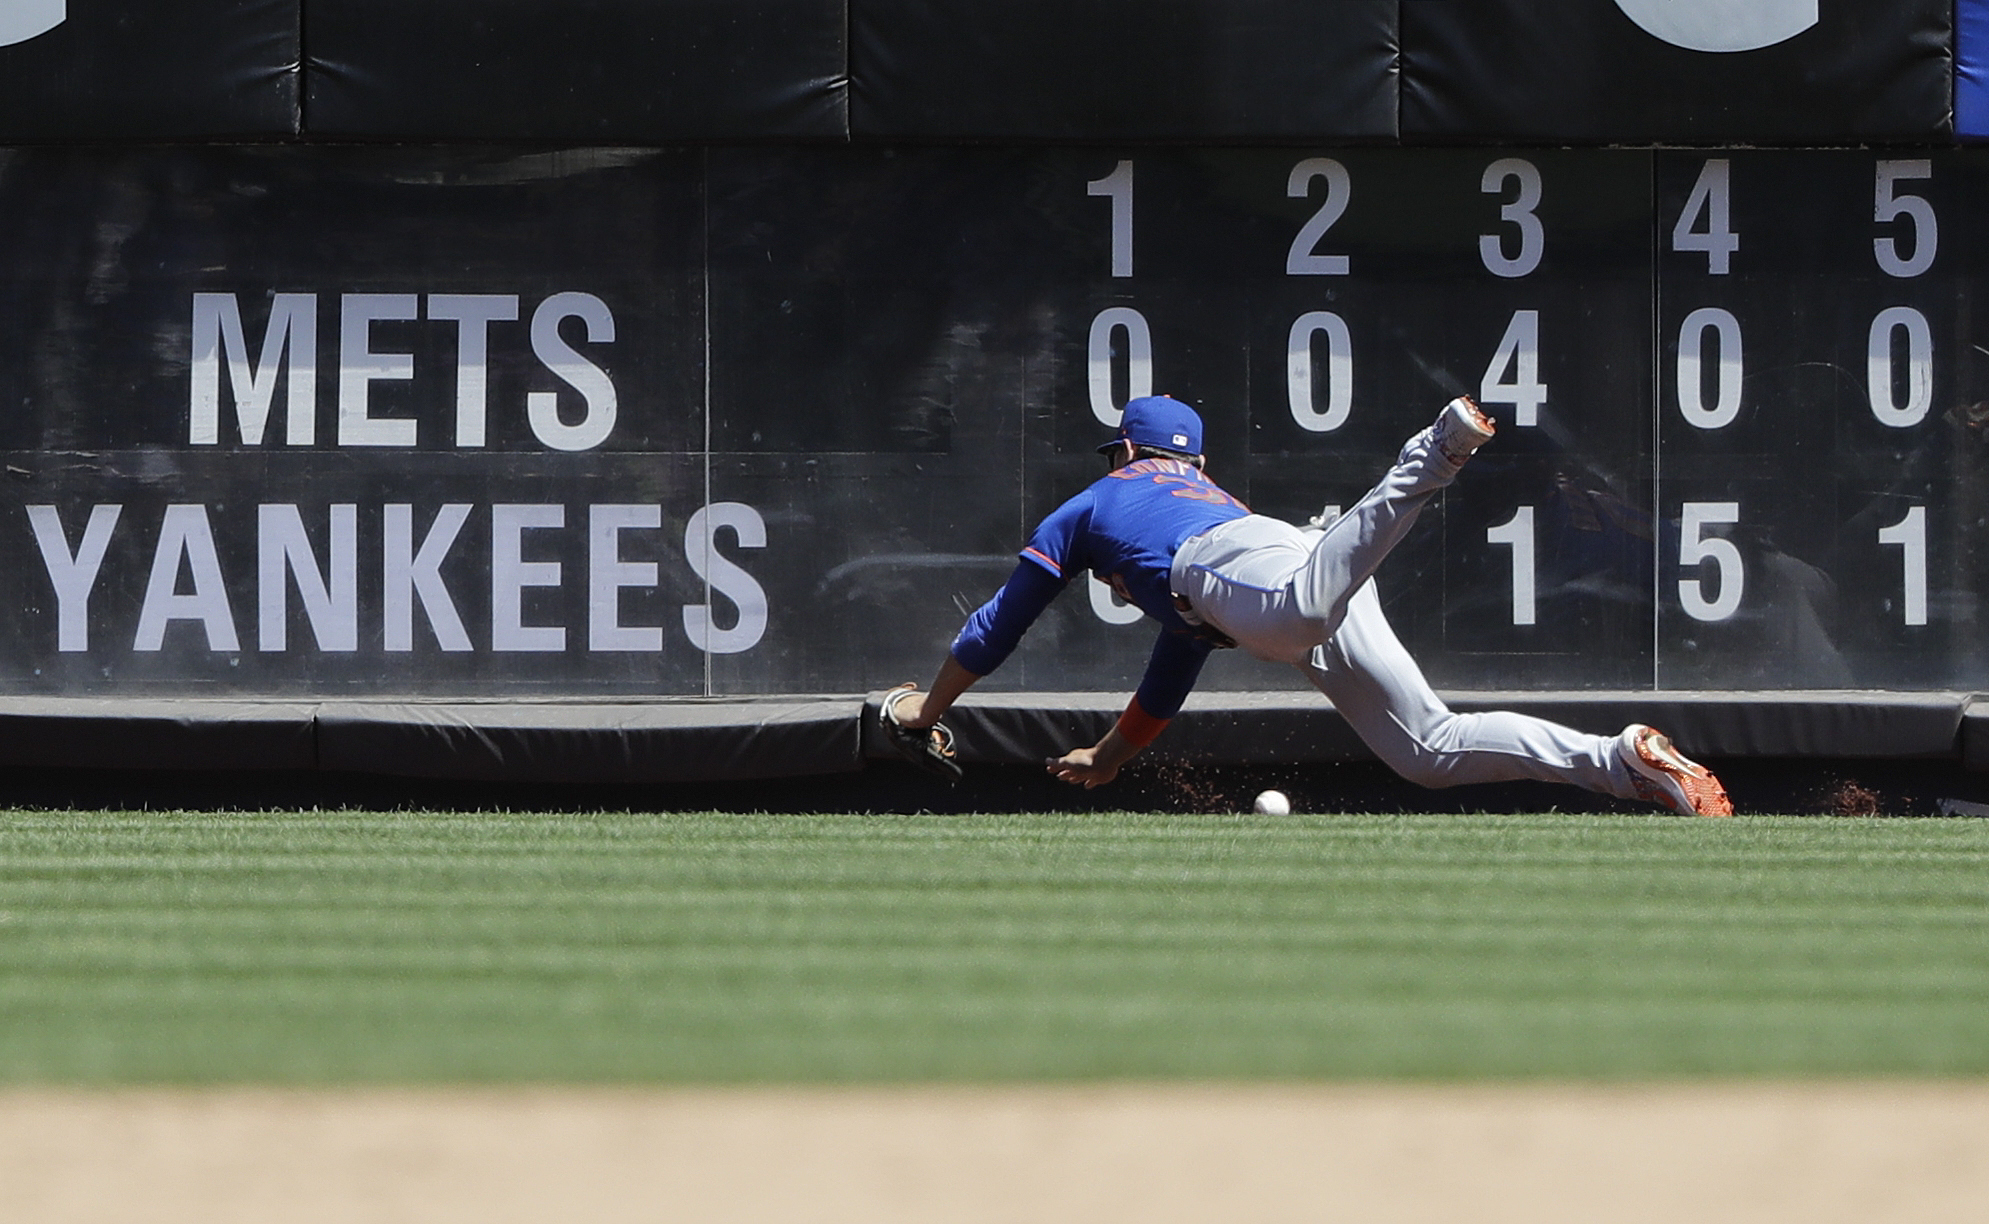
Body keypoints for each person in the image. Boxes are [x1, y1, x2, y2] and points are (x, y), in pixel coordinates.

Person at [885, 394, 1732, 817]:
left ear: (1129, 449)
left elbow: (998, 624)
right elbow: (1166, 679)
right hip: (1274, 570)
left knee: (1299, 611)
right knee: (1427, 751)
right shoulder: (1195, 504)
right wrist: (1109, 758)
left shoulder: (1094, 503)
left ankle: (1430, 452)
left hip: (1259, 576)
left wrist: (929, 708)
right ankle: (1621, 758)